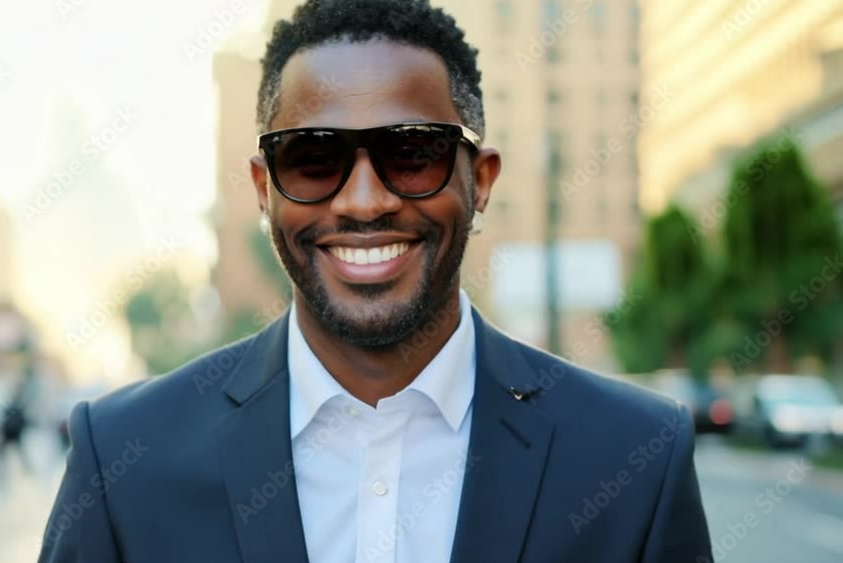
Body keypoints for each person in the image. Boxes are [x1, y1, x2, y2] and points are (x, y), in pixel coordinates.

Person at [39, 1, 712, 561]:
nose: (364, 202)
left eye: (413, 153)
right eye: (312, 158)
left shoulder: (635, 459)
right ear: (264, 189)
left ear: (480, 180)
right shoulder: (123, 459)